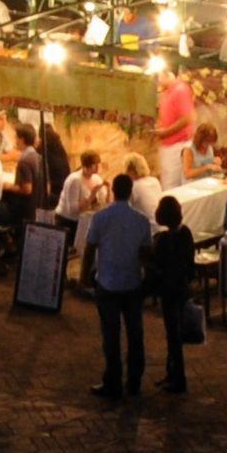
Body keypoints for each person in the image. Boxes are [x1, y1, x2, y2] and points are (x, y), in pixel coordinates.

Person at [80, 162, 154, 399]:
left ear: (114, 192)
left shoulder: (101, 218)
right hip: (132, 283)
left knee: (110, 336)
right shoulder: (141, 221)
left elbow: (90, 249)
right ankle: (134, 381)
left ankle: (112, 381)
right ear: (131, 192)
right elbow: (145, 256)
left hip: (108, 282)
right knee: (135, 334)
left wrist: (83, 279)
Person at [146, 197, 199, 395]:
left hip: (169, 290)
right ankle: (172, 373)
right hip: (181, 288)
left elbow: (156, 264)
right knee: (173, 333)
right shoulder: (185, 233)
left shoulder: (164, 240)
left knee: (173, 334)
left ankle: (178, 377)